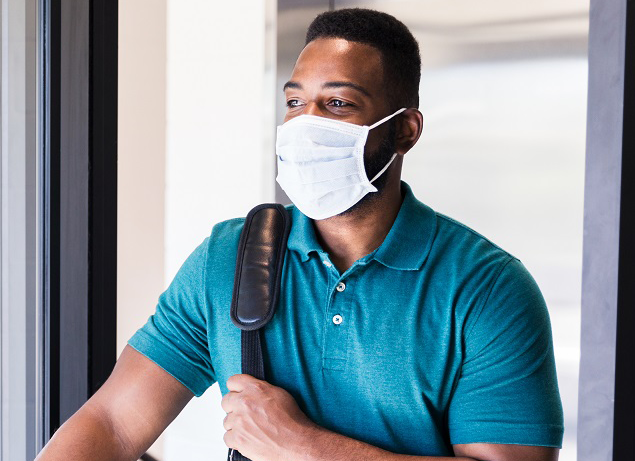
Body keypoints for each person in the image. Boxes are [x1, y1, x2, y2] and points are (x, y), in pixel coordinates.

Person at [36, 8, 562, 461]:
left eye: (337, 104)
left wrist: (303, 446)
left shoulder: (488, 289)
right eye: (294, 103)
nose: (306, 124)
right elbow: (111, 423)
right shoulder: (228, 260)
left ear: (405, 131)